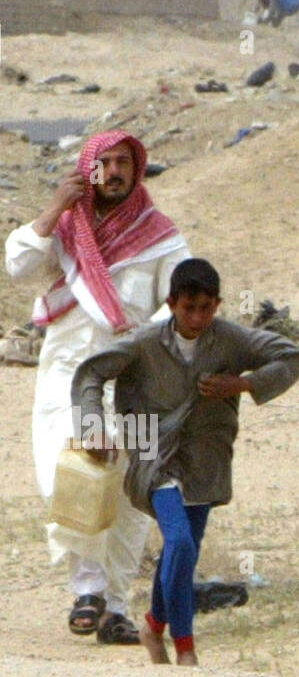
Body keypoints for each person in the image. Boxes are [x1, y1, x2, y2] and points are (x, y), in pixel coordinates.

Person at [4, 130, 190, 646]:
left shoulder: (160, 236)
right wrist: (53, 209)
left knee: (134, 492)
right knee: (72, 474)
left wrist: (143, 340)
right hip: (68, 373)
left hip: (139, 376)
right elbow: (18, 267)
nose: (113, 172)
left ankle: (113, 607)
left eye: (123, 164)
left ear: (137, 169)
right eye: (104, 163)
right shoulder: (65, 228)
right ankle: (85, 587)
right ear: (88, 170)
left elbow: (177, 302)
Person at [72, 259, 299, 669]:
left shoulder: (231, 339)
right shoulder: (144, 342)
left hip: (205, 455)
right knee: (178, 542)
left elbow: (290, 357)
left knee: (184, 552)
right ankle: (186, 649)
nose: (197, 318)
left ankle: (152, 624)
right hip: (149, 447)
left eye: (206, 308)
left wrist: (244, 384)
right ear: (172, 303)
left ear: (217, 304)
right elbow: (91, 374)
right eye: (188, 309)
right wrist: (93, 427)